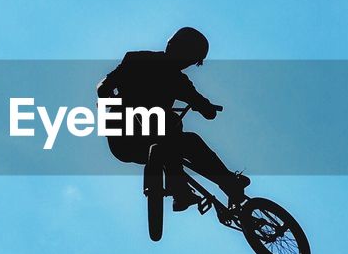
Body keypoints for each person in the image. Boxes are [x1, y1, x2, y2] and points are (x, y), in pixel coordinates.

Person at [97, 27, 250, 210]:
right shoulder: (141, 62)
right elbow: (104, 85)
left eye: (191, 61)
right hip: (126, 134)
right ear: (174, 46)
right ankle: (203, 187)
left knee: (180, 138)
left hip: (132, 142)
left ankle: (206, 187)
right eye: (188, 57)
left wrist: (205, 107)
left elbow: (205, 109)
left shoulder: (174, 78)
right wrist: (105, 93)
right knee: (175, 128)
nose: (186, 63)